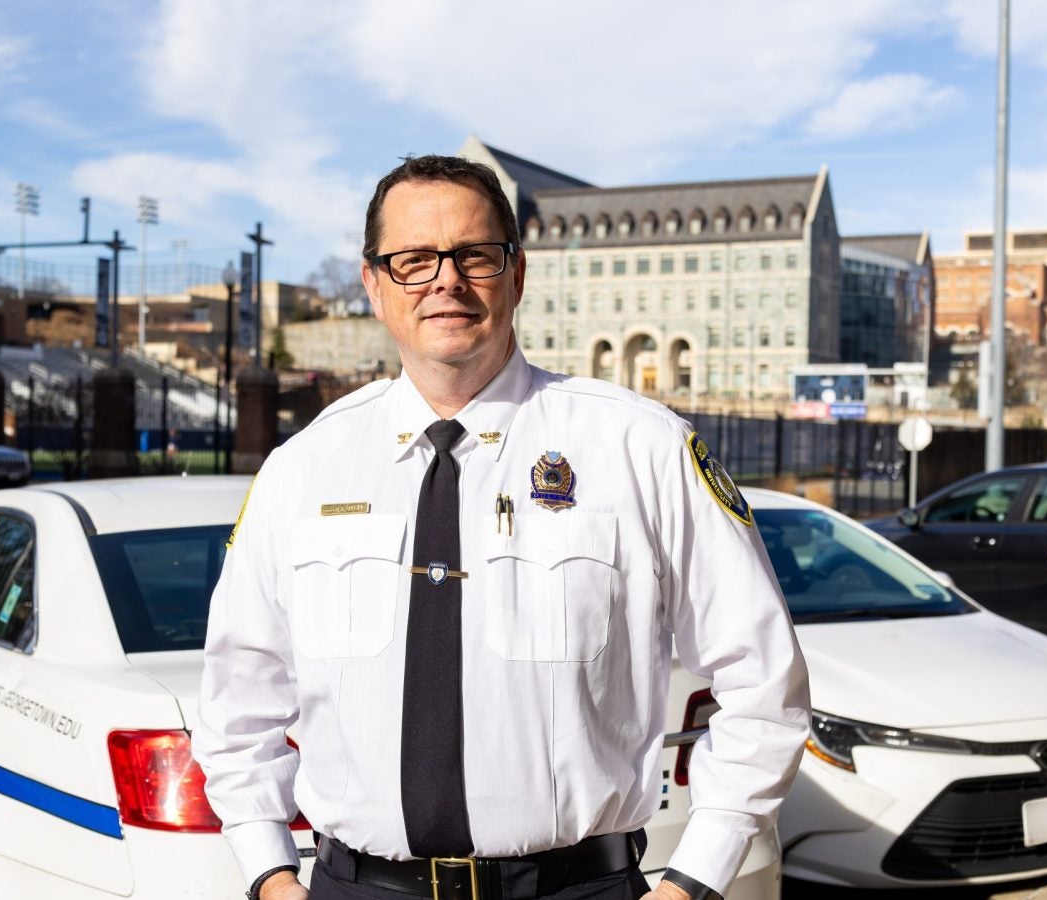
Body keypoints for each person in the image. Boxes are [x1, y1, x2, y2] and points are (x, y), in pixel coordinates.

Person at [194, 155, 809, 900]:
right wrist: (269, 875)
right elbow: (239, 693)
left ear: (516, 275)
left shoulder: (637, 448)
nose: (445, 281)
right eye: (414, 260)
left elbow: (762, 675)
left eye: (473, 256)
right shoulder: (305, 469)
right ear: (375, 286)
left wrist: (695, 879)